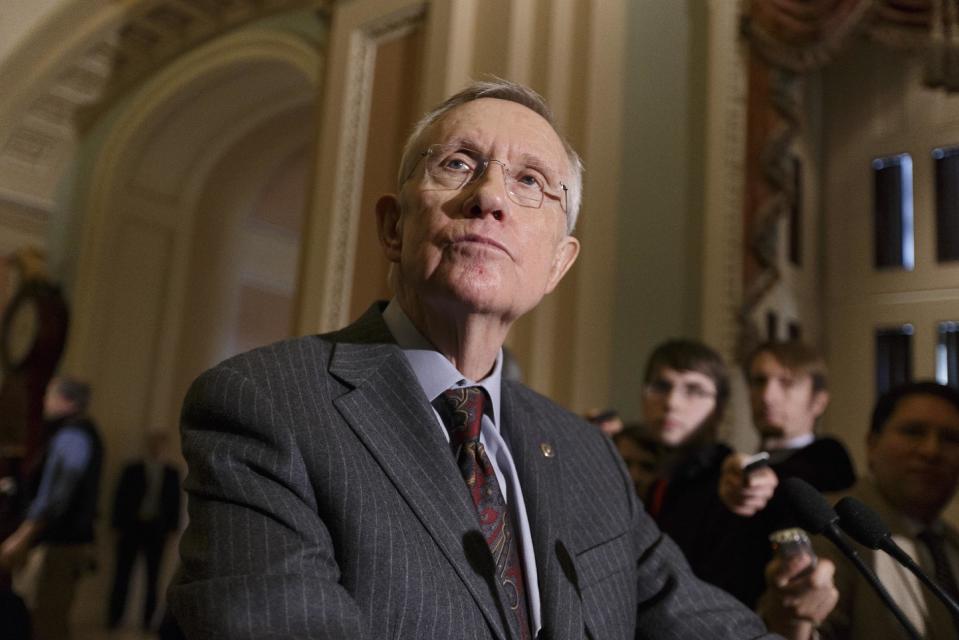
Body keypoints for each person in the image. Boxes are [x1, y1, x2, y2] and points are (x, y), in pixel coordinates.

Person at [168, 80, 786, 639]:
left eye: (530, 182)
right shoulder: (265, 405)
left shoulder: (587, 455)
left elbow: (690, 615)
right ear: (392, 227)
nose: (489, 195)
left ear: (557, 264)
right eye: (458, 164)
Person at [662, 340, 856, 607]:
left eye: (786, 383)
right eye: (758, 381)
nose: (767, 395)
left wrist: (754, 487)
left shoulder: (827, 465)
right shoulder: (727, 467)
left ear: (819, 401)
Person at [798, 381, 959, 639]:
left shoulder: (950, 543)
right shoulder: (828, 526)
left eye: (950, 439)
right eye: (913, 432)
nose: (932, 451)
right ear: (872, 444)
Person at [0, 376, 103, 640]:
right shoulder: (72, 432)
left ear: (66, 401)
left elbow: (57, 494)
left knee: (43, 618)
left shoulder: (74, 435)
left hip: (57, 544)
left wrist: (23, 535)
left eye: (49, 395)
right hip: (59, 541)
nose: (44, 401)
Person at [108, 431, 181, 630]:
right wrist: (116, 525)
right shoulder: (133, 469)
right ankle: (114, 617)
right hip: (132, 527)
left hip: (157, 530)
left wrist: (172, 528)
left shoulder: (171, 473)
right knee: (122, 574)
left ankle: (148, 621)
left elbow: (175, 503)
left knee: (153, 577)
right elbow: (120, 498)